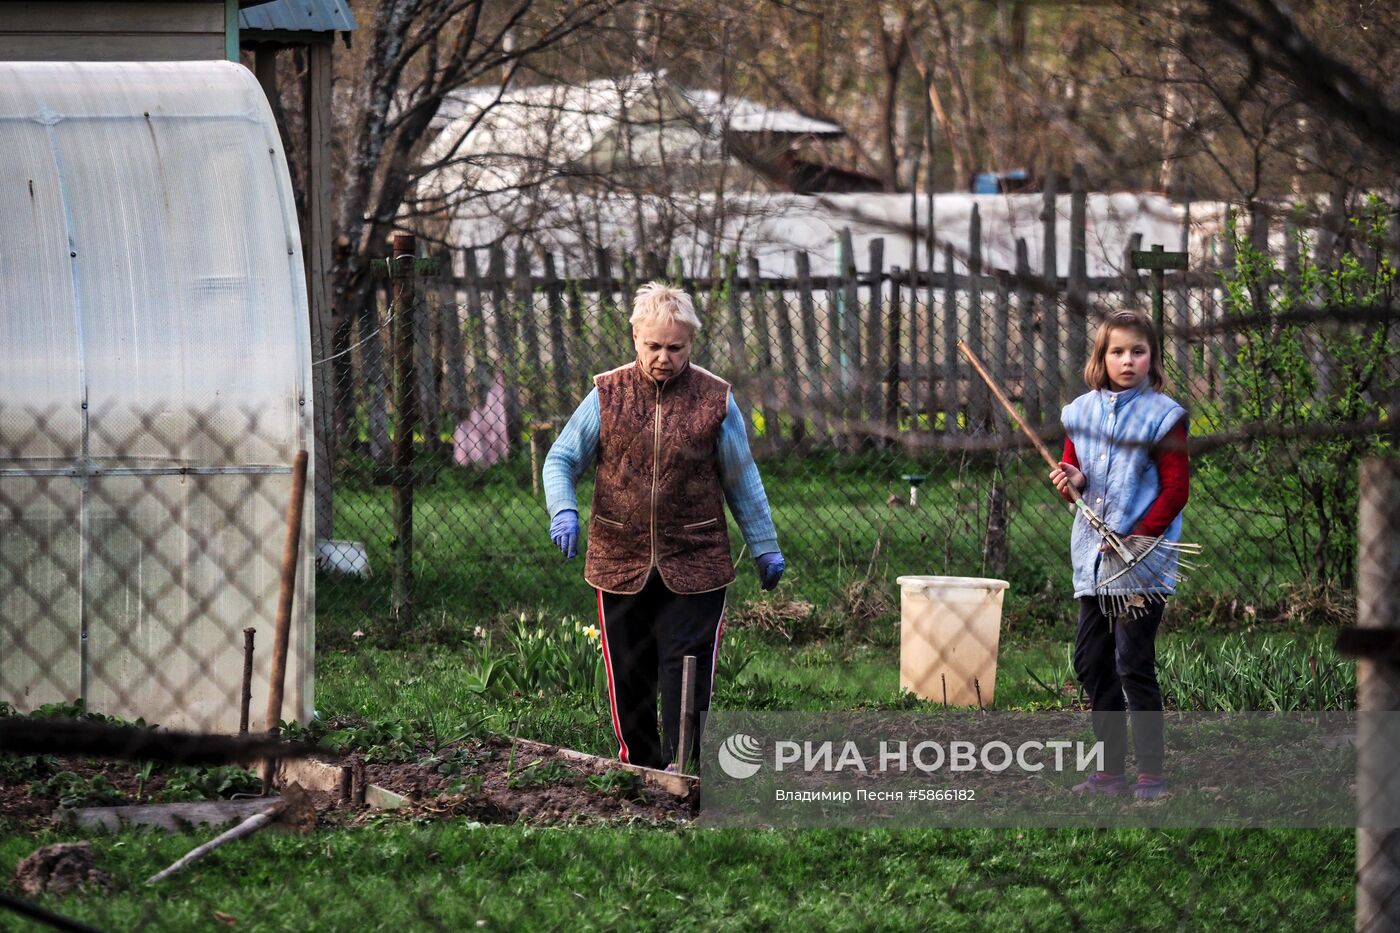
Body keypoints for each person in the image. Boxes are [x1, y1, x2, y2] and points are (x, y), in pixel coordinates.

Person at [542, 282, 785, 772]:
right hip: (619, 557)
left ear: (690, 344)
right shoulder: (606, 395)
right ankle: (639, 767)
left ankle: (686, 768)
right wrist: (563, 508)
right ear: (635, 337)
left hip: (695, 560)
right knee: (629, 672)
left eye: (675, 348)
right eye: (653, 346)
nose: (663, 358)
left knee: (684, 669)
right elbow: (561, 458)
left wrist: (764, 545)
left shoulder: (715, 400)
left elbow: (742, 478)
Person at [1049, 308, 1189, 801]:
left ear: (1152, 358)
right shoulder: (1080, 413)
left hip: (1141, 565)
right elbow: (1075, 474)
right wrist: (1073, 481)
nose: (1127, 360)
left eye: (1138, 351)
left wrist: (1138, 537)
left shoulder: (1163, 416)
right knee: (1091, 663)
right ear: (1101, 358)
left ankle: (1151, 774)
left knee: (1133, 663)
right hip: (1094, 562)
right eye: (1117, 352)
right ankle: (1109, 773)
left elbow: (1175, 491)